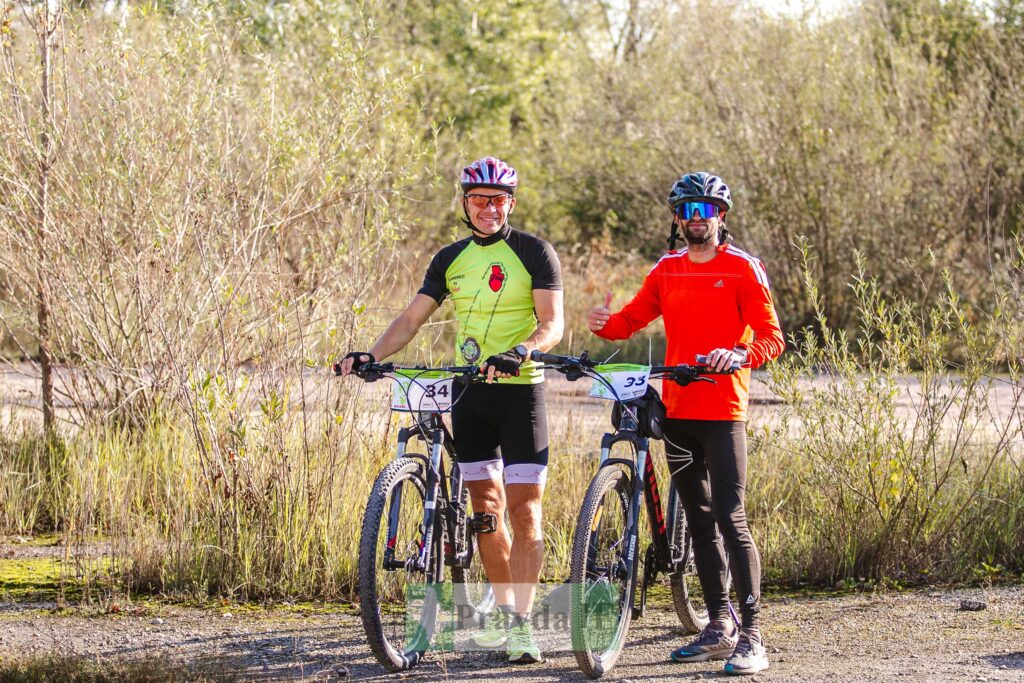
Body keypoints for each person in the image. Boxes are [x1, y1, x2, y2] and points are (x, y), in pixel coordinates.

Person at [339, 157, 563, 664]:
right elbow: (412, 318)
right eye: (479, 199)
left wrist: (525, 349)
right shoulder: (450, 258)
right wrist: (372, 354)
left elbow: (552, 324)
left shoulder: (534, 252)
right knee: (486, 512)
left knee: (525, 513)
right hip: (470, 394)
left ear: (511, 203)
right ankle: (509, 618)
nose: (489, 208)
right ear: (464, 203)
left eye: (498, 199)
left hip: (520, 391)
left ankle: (524, 624)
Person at [587, 172, 783, 676]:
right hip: (677, 414)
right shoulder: (667, 269)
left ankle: (753, 635)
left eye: (707, 210)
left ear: (721, 216)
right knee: (697, 519)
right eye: (688, 211)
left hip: (723, 413)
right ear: (677, 217)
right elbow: (633, 319)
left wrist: (736, 353)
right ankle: (719, 625)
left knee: (729, 517)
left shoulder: (743, 268)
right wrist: (603, 322)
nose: (698, 219)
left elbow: (771, 337)